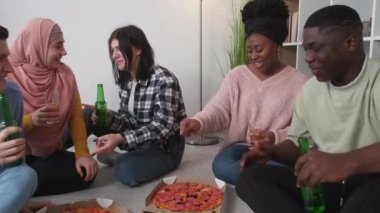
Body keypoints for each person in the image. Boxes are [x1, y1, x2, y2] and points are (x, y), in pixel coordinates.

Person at [236, 5, 380, 213]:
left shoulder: (376, 80)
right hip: (327, 184)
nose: (308, 57)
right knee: (250, 178)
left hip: (368, 183)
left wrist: (343, 162)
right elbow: (299, 143)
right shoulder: (311, 90)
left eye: (317, 47)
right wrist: (272, 151)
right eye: (306, 49)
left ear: (350, 42)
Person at [180, 0, 307, 185]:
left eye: (259, 49)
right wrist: (198, 122)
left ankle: (260, 179)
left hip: (276, 152)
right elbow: (219, 109)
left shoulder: (300, 83)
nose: (253, 56)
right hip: (238, 149)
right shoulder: (236, 76)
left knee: (285, 166)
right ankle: (268, 180)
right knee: (221, 165)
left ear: (276, 45)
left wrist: (273, 137)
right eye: (249, 50)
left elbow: (301, 131)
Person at [7, 18, 98, 196]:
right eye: (57, 46)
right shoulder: (10, 79)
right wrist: (31, 120)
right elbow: (5, 130)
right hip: (20, 158)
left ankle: (23, 188)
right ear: (37, 46)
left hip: (53, 151)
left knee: (88, 171)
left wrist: (82, 153)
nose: (64, 52)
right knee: (31, 175)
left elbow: (76, 116)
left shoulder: (65, 74)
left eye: (63, 45)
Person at [88, 25, 186, 187]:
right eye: (112, 50)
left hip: (165, 148)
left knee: (125, 170)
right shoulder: (127, 81)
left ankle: (119, 159)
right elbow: (128, 120)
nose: (114, 55)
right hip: (140, 140)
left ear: (138, 49)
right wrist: (110, 118)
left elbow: (163, 126)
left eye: (119, 49)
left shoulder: (164, 79)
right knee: (89, 116)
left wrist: (120, 138)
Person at [0, 24, 49, 213]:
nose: (9, 67)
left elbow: (16, 164)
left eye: (7, 56)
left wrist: (16, 200)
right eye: (0, 59)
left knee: (27, 176)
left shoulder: (12, 93)